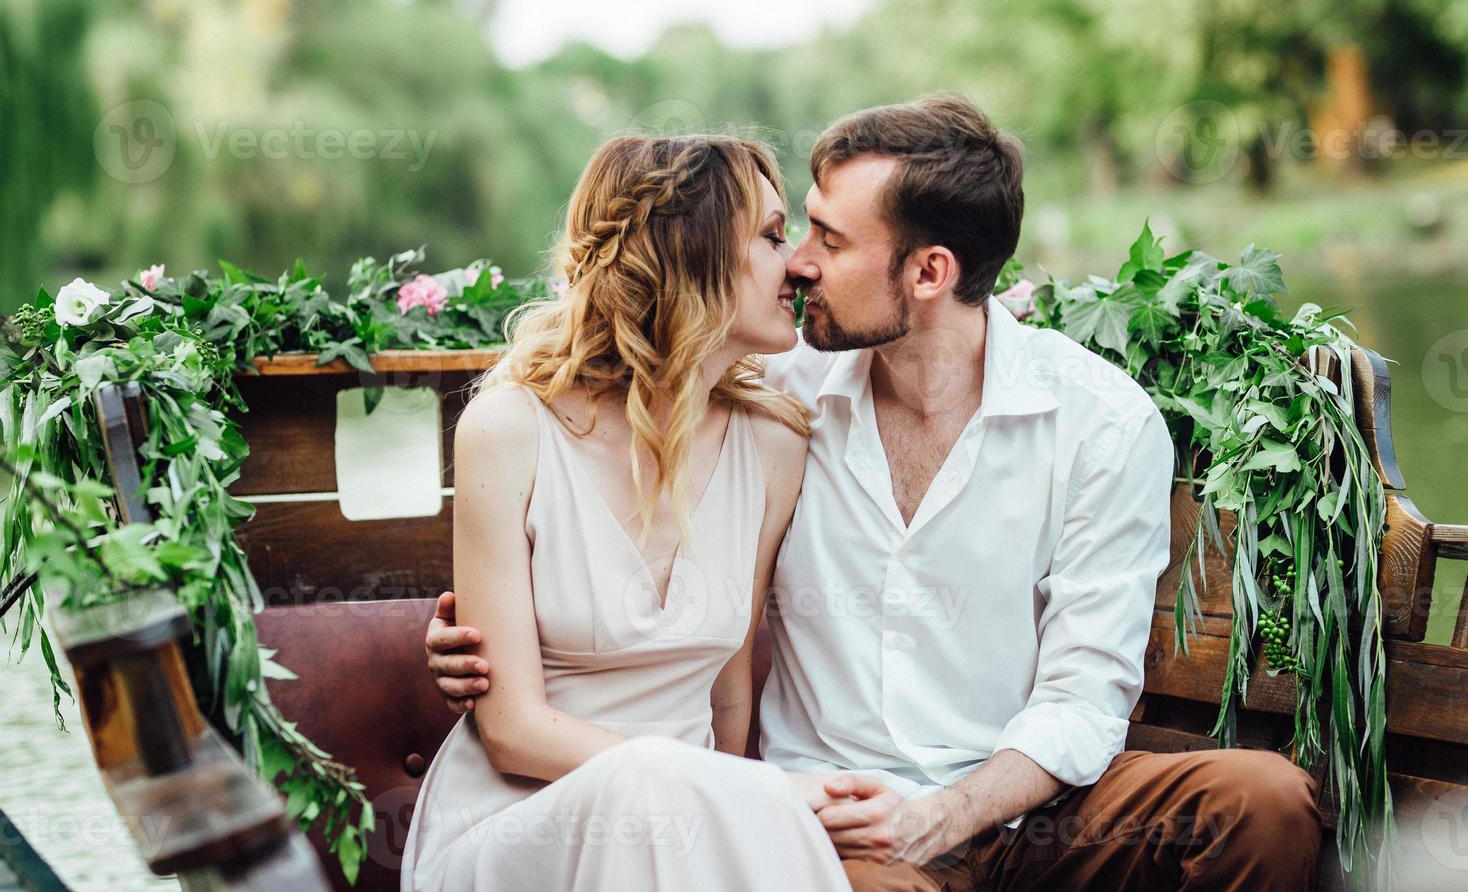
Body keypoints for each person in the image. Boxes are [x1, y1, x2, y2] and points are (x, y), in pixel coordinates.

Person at [429, 94, 1326, 891]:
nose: (801, 263)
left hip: (1029, 805)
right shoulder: (785, 397)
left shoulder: (1099, 422)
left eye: (828, 239)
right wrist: (483, 634)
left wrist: (949, 812)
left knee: (1264, 801)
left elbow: (1087, 695)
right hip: (845, 819)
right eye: (793, 230)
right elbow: (661, 565)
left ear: (930, 273)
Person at [400, 134, 852, 891]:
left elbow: (728, 685)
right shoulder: (511, 430)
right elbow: (510, 731)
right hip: (518, 826)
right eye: (773, 237)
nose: (798, 262)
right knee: (642, 783)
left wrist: (717, 813)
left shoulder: (774, 445)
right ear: (692, 254)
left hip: (679, 831)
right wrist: (733, 796)